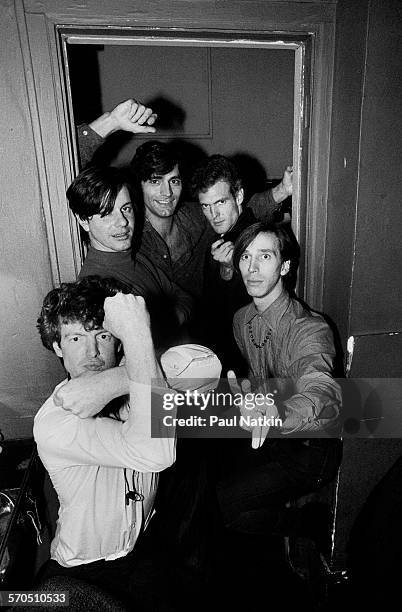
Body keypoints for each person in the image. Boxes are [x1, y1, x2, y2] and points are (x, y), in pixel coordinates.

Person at [33, 276, 175, 607]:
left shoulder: (140, 379)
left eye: (103, 335)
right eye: (75, 338)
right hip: (82, 574)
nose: (92, 352)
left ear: (118, 341)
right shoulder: (55, 421)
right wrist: (140, 334)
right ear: (57, 346)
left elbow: (200, 362)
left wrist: (116, 379)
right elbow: (156, 452)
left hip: (142, 549)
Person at [77, 98, 293, 300]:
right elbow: (63, 171)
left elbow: (241, 210)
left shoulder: (197, 216)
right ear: (138, 186)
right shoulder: (124, 232)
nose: (167, 193)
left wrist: (282, 190)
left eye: (174, 181)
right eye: (154, 181)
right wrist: (110, 123)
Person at [215, 221, 342, 538]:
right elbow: (256, 378)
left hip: (310, 451)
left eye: (265, 257)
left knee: (223, 506)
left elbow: (321, 390)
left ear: (285, 266)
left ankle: (307, 524)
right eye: (245, 256)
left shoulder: (309, 329)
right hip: (269, 438)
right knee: (207, 481)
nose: (252, 268)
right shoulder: (241, 319)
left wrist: (277, 412)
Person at [66, 164, 192, 349]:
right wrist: (171, 320)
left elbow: (183, 296)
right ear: (83, 220)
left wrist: (168, 321)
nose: (123, 222)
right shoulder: (94, 287)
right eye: (107, 214)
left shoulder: (134, 255)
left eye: (126, 209)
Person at [190, 154, 293, 372]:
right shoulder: (234, 223)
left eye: (220, 202)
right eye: (206, 206)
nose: (214, 214)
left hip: (240, 354)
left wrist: (231, 269)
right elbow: (253, 209)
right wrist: (282, 190)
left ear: (238, 196)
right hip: (216, 347)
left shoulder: (253, 240)